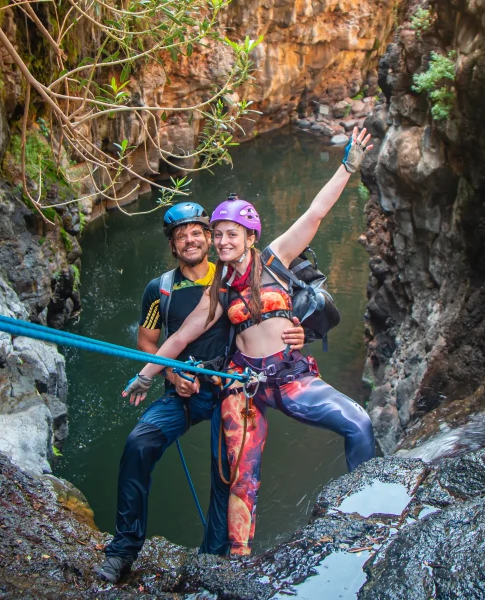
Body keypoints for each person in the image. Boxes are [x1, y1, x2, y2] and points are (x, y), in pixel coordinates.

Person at [123, 128, 377, 556]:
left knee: (359, 424)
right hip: (244, 385)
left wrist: (347, 167)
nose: (221, 241)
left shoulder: (276, 259)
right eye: (217, 234)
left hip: (291, 376)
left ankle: (368, 518)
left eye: (230, 234)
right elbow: (182, 336)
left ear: (250, 235)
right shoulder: (219, 290)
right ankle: (238, 561)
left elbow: (315, 214)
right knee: (241, 474)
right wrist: (145, 376)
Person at [97, 202, 305, 582]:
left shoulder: (232, 279)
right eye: (181, 236)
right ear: (173, 246)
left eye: (196, 232)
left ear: (210, 238)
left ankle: (212, 560)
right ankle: (124, 548)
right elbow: (147, 341)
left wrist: (296, 332)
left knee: (225, 471)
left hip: (229, 387)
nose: (189, 240)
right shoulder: (159, 290)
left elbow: (270, 316)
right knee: (138, 444)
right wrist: (173, 376)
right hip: (184, 391)